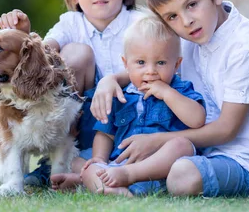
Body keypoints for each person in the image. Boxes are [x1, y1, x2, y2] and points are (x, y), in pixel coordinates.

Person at [91, 0, 249, 197]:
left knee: (182, 175)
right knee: (94, 160)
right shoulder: (188, 39)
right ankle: (110, 183)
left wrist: (157, 141)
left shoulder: (246, 48)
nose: (186, 21)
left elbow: (226, 130)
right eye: (172, 16)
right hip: (199, 152)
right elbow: (152, 67)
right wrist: (111, 80)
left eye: (192, 5)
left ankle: (132, 178)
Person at [0, 0, 142, 189]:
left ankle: (87, 172)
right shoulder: (71, 24)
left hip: (134, 120)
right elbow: (42, 55)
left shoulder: (140, 24)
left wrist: (115, 80)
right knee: (75, 54)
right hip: (84, 124)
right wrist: (24, 34)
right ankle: (62, 161)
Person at [80, 14, 205, 196]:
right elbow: (104, 134)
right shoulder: (120, 95)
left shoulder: (180, 90)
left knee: (182, 145)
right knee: (89, 166)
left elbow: (197, 119)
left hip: (164, 169)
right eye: (141, 62)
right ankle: (114, 191)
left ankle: (123, 179)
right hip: (119, 167)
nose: (151, 71)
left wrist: (167, 93)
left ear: (176, 64)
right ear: (126, 64)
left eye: (161, 63)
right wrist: (100, 158)